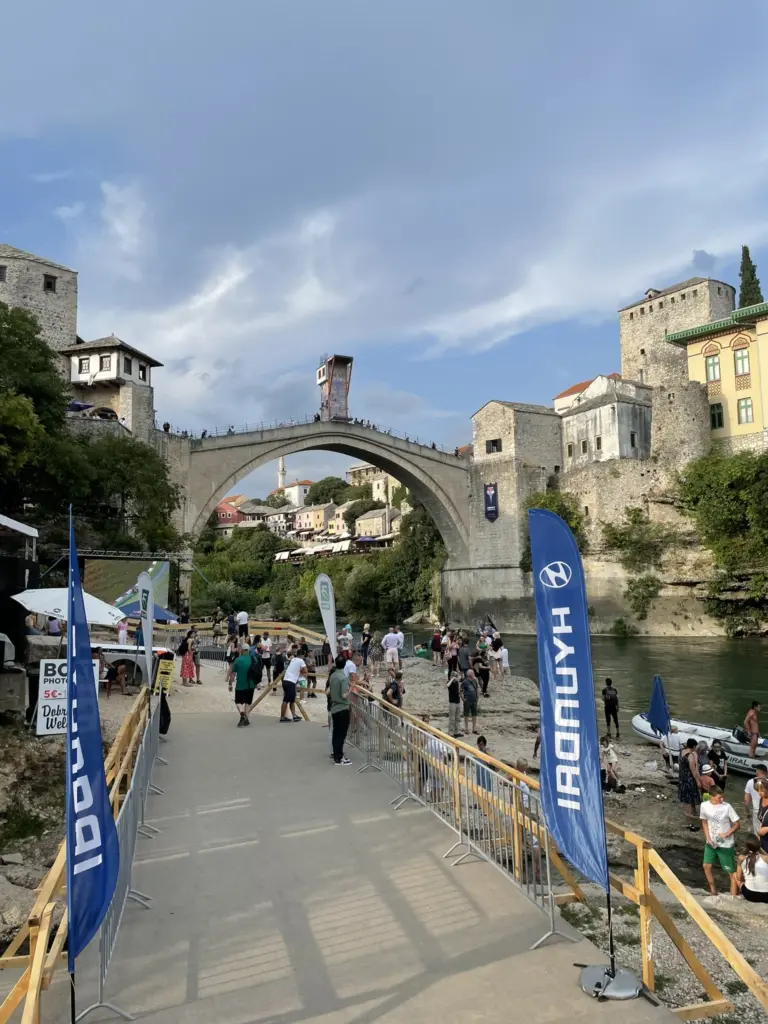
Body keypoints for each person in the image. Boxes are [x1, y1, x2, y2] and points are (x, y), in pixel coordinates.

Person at [700, 786, 740, 900]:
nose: (721, 799)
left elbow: (737, 824)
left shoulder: (727, 807)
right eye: (719, 797)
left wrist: (727, 833)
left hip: (725, 844)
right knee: (706, 866)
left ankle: (734, 896)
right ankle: (713, 891)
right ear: (711, 797)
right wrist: (707, 837)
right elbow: (704, 821)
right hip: (711, 842)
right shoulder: (704, 806)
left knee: (730, 871)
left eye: (722, 797)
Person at [328, 654, 352, 765]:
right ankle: (339, 757)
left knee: (336, 733)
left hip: (334, 707)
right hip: (342, 708)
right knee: (341, 734)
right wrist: (350, 689)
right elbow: (344, 695)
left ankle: (336, 755)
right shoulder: (343, 678)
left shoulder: (332, 676)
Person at [736, 835, 768, 904]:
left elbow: (738, 878)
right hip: (766, 896)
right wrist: (759, 848)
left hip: (750, 895)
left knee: (734, 875)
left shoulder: (741, 858)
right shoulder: (766, 858)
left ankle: (734, 896)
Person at [679, 737, 702, 826]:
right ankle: (688, 818)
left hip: (682, 778)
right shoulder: (691, 755)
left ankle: (692, 813)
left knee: (686, 797)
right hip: (689, 779)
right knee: (689, 798)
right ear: (694, 746)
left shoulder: (682, 752)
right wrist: (698, 781)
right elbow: (693, 769)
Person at [232, 645, 256, 727]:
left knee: (238, 701)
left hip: (240, 685)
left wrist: (230, 683)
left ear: (242, 650)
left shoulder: (238, 660)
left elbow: (233, 673)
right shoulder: (253, 659)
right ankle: (246, 719)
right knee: (248, 702)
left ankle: (242, 714)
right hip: (251, 684)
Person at [280, 650, 307, 722]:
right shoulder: (301, 660)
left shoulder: (293, 659)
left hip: (286, 680)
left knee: (292, 700)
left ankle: (294, 715)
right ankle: (282, 717)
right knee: (286, 700)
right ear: (302, 655)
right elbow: (305, 671)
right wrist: (301, 673)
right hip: (291, 682)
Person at [744, 764, 768, 835]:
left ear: (757, 772)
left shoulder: (750, 782)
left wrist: (747, 812)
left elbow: (746, 801)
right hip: (766, 811)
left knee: (758, 833)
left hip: (757, 811)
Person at [461, 669, 479, 735]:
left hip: (474, 700)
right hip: (467, 700)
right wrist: (463, 699)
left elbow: (477, 688)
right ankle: (466, 728)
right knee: (466, 714)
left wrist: (477, 697)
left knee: (474, 714)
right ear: (470, 674)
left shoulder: (475, 681)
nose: (474, 674)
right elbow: (461, 690)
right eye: (473, 673)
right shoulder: (465, 682)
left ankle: (474, 728)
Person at [446, 670, 462, 738]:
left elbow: (459, 691)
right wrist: (452, 679)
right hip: (452, 702)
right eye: (455, 676)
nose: (456, 677)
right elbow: (447, 685)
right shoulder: (450, 683)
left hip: (457, 701)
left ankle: (457, 731)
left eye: (456, 676)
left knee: (458, 718)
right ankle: (451, 732)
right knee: (452, 718)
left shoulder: (457, 683)